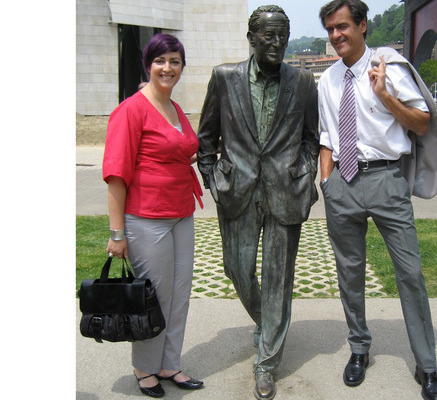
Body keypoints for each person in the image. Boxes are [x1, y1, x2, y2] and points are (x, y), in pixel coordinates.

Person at [317, 1, 437, 400]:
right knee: (349, 274)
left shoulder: (389, 65)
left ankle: (427, 366)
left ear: (362, 26)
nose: (337, 35)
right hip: (343, 183)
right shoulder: (327, 80)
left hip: (387, 179)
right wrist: (327, 184)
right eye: (330, 30)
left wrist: (384, 94)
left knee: (410, 273)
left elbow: (421, 122)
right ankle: (359, 349)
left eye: (342, 27)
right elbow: (326, 136)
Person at [197, 5, 319, 400]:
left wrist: (303, 171)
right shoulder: (224, 77)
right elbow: (206, 136)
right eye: (269, 35)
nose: (277, 43)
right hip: (238, 192)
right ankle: (269, 325)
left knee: (278, 282)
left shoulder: (302, 81)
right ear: (251, 38)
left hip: (285, 191)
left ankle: (266, 363)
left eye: (283, 35)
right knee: (236, 270)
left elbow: (310, 139)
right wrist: (213, 177)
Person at [103, 33, 204, 398]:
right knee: (154, 297)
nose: (168, 68)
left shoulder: (175, 110)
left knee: (179, 294)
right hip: (147, 219)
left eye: (175, 61)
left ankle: (170, 363)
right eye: (160, 61)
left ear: (181, 68)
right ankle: (144, 368)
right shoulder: (131, 109)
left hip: (182, 213)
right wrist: (117, 234)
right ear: (148, 65)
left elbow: (179, 152)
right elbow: (116, 174)